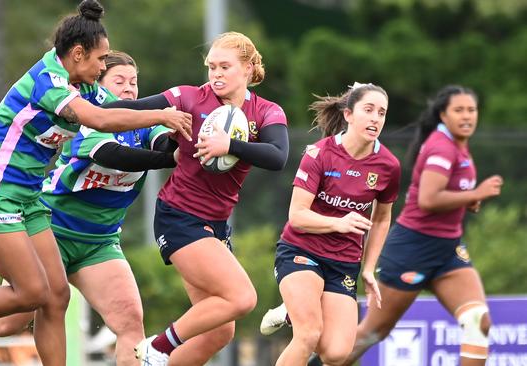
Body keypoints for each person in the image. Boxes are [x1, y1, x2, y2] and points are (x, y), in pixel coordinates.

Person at [0, 1, 192, 365]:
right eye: (101, 60)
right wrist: (162, 113)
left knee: (56, 297)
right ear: (78, 54)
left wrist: (182, 124)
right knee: (31, 293)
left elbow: (117, 109)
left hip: (28, 201)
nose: (103, 68)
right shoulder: (49, 80)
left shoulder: (83, 83)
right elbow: (99, 120)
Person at [0, 50, 175, 366]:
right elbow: (112, 156)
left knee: (130, 322)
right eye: (119, 81)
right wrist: (169, 157)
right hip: (51, 229)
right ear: (99, 86)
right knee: (9, 323)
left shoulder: (144, 126)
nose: (128, 89)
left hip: (98, 243)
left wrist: (190, 138)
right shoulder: (86, 117)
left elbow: (165, 144)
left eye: (134, 83)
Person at [103, 31, 289, 366]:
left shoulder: (266, 111)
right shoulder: (187, 98)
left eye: (225, 67)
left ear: (247, 69)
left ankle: (154, 358)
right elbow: (128, 109)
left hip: (216, 225)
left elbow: (278, 157)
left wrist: (229, 145)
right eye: (211, 67)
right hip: (179, 216)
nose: (216, 74)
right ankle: (157, 348)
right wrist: (81, 109)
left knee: (220, 332)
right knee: (242, 297)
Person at [330, 85, 502, 366]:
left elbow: (449, 192)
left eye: (471, 110)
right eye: (458, 110)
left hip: (448, 250)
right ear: (443, 115)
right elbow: (429, 199)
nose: (467, 116)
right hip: (412, 248)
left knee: (477, 321)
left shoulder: (458, 144)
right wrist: (475, 194)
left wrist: (467, 200)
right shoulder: (441, 146)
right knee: (371, 333)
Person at [264, 82, 401, 366]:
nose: (376, 118)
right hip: (301, 251)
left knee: (336, 354)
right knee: (308, 334)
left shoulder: (388, 166)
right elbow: (297, 215)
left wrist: (369, 268)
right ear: (348, 115)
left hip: (343, 262)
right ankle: (299, 310)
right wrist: (338, 223)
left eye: (382, 113)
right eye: (368, 110)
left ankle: (294, 310)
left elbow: (382, 217)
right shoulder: (319, 153)